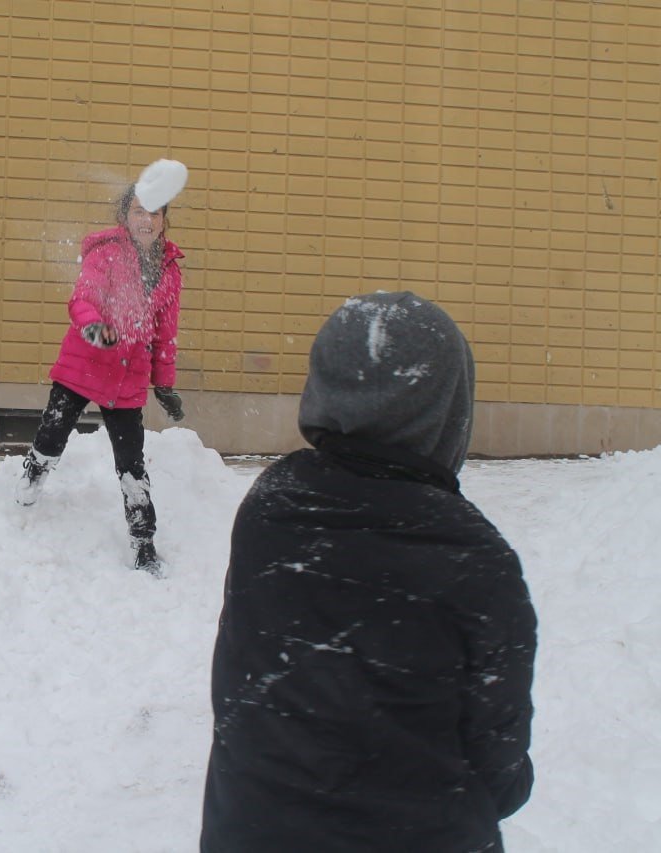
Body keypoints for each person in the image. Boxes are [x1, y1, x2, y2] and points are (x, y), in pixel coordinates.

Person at [201, 291, 537, 852]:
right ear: (447, 410)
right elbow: (500, 770)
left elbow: (248, 689)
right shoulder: (474, 558)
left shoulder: (271, 508)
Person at [15, 165, 188, 576]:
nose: (146, 220)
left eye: (155, 213)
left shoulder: (170, 270)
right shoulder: (106, 252)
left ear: (164, 220)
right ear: (124, 216)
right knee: (52, 434)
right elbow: (82, 298)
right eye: (138, 212)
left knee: (132, 464)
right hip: (85, 361)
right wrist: (93, 324)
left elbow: (165, 333)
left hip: (128, 376)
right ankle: (32, 479)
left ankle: (144, 542)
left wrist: (164, 384)